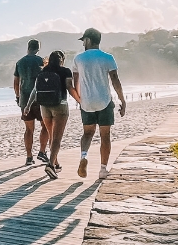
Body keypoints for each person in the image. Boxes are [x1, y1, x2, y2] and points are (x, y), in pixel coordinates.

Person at [73, 28, 126, 180]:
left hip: (86, 102)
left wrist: (79, 99)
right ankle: (103, 169)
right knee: (105, 136)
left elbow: (75, 81)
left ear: (88, 40)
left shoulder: (78, 59)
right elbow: (115, 79)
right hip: (104, 101)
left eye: (84, 40)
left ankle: (84, 157)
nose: (83, 43)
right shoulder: (108, 57)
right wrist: (122, 100)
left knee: (88, 133)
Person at [24, 50, 79, 179]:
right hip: (60, 106)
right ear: (62, 60)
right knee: (57, 138)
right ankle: (51, 165)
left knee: (51, 135)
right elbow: (69, 88)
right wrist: (80, 100)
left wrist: (28, 106)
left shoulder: (42, 72)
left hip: (44, 107)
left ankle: (56, 163)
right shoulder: (65, 71)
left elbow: (35, 90)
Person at [14, 39, 49, 165]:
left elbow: (16, 83)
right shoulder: (41, 61)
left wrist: (18, 97)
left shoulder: (20, 62)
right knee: (45, 126)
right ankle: (42, 151)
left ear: (28, 47)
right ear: (38, 48)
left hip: (24, 99)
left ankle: (29, 157)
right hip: (40, 99)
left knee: (29, 130)